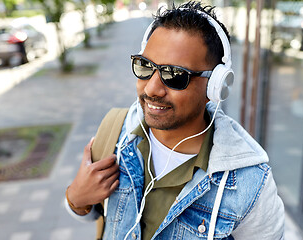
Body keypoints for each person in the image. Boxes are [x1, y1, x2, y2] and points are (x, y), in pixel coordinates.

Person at [65, 1, 285, 239]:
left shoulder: (249, 183)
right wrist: (76, 198)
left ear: (215, 87)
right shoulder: (117, 132)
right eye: (145, 66)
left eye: (175, 75)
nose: (152, 88)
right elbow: (93, 213)